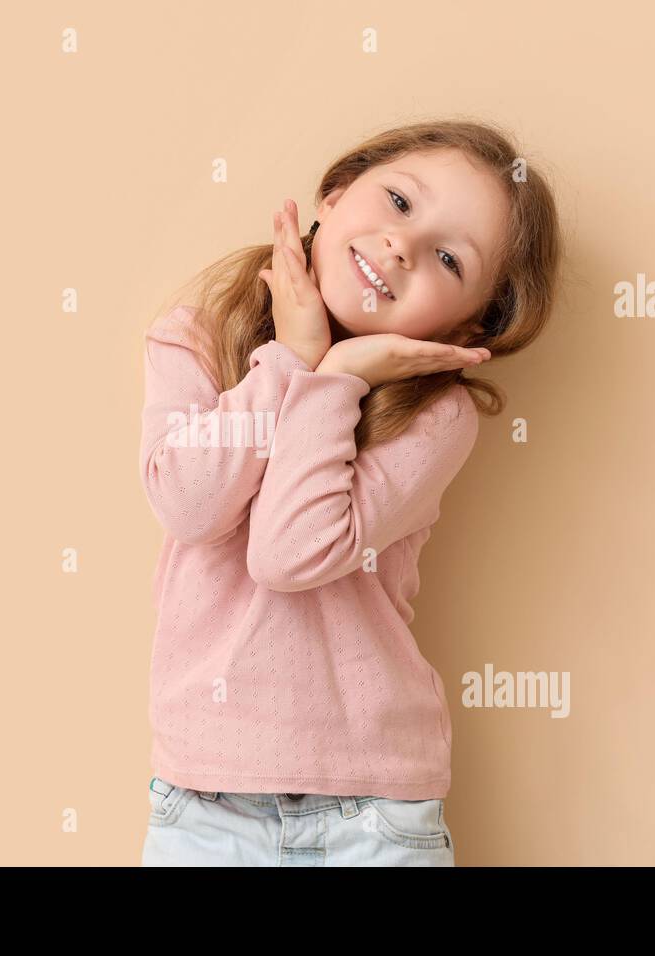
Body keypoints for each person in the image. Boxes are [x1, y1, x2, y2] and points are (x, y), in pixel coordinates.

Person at [139, 120, 562, 865]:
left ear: (466, 324)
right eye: (399, 202)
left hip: (373, 815)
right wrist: (290, 360)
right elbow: (188, 505)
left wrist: (335, 381)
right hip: (204, 802)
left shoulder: (436, 416)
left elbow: (288, 553)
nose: (403, 246)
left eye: (449, 258)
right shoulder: (195, 343)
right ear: (335, 194)